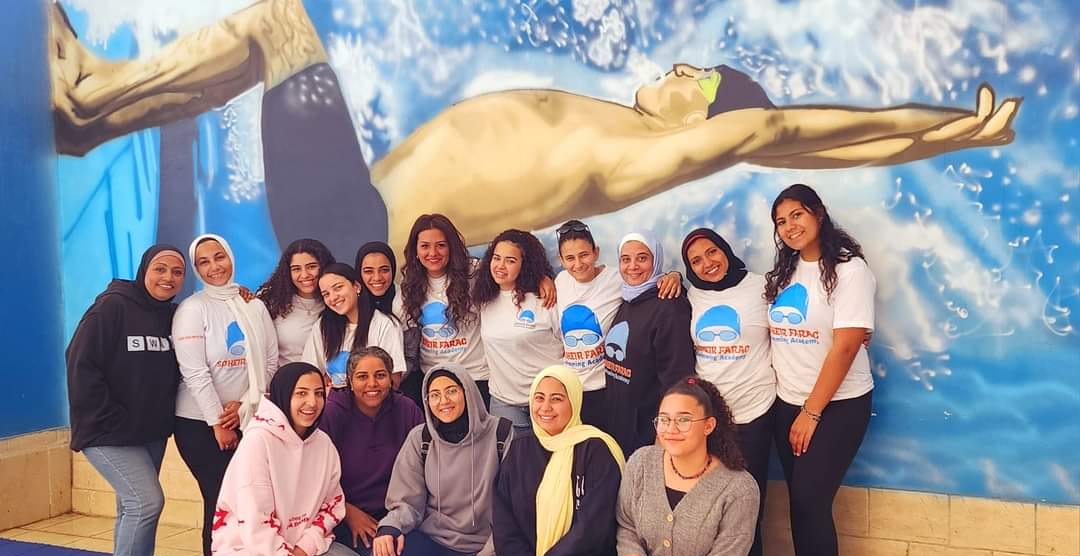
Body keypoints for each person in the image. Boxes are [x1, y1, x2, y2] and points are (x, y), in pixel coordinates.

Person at [49, 1, 1020, 260]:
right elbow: (785, 133)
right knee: (273, 33)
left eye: (694, 79)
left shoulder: (661, 147)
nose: (675, 71)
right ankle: (95, 114)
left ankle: (95, 95)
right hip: (352, 204)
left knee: (276, 22)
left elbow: (789, 129)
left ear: (713, 117)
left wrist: (943, 131)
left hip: (354, 221)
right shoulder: (618, 124)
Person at [766, 184, 876, 556]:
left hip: (835, 407)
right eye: (781, 221)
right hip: (787, 403)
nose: (789, 226)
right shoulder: (787, 270)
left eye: (797, 215)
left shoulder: (850, 270)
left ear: (819, 213)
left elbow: (846, 346)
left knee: (811, 501)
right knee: (801, 504)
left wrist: (811, 413)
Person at [66, 245, 186, 556]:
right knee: (146, 502)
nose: (168, 278)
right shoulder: (112, 307)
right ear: (144, 270)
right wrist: (107, 416)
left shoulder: (171, 314)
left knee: (131, 510)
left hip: (148, 432)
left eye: (177, 272)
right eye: (160, 269)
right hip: (107, 432)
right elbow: (80, 362)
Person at [209, 362, 366, 556]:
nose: (312, 402)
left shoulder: (324, 444)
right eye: (301, 393)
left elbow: (333, 504)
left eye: (319, 393)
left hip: (297, 546)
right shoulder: (257, 442)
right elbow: (256, 525)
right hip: (245, 553)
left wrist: (306, 546)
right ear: (283, 395)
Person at [172, 234, 279, 556]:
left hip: (248, 417)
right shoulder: (192, 310)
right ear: (196, 269)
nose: (214, 266)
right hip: (200, 425)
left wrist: (245, 404)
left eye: (220, 257)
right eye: (204, 262)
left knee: (252, 503)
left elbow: (270, 361)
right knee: (220, 503)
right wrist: (219, 420)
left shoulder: (253, 305)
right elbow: (195, 372)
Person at [605, 377, 759, 556]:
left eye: (684, 420)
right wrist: (631, 553)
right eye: (664, 419)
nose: (671, 429)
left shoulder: (739, 488)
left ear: (709, 425)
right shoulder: (641, 463)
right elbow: (626, 523)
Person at [681, 227, 776, 556]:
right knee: (709, 513)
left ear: (725, 250)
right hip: (709, 422)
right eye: (695, 261)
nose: (707, 263)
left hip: (754, 413)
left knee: (747, 511)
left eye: (712, 252)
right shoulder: (689, 295)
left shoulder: (761, 287)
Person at [492, 365, 625, 556]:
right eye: (539, 398)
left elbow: (593, 528)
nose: (545, 407)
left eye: (556, 399)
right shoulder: (519, 450)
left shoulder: (596, 449)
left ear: (574, 402)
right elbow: (504, 520)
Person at [370, 363, 512, 556]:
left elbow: (511, 513)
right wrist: (391, 526)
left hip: (488, 550)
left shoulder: (501, 434)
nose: (443, 401)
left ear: (468, 392)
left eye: (451, 391)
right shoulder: (421, 438)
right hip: (435, 544)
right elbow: (407, 502)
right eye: (434, 395)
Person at [554, 219, 682, 428]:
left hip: (606, 388)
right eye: (570, 258)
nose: (578, 264)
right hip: (571, 391)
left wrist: (675, 276)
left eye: (584, 255)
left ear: (596, 252)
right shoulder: (560, 282)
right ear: (561, 260)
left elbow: (648, 281)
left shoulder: (617, 277)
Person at [320, 346, 424, 556]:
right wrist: (347, 512)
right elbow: (315, 478)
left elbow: (423, 469)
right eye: (362, 377)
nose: (372, 384)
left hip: (397, 515)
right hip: (343, 517)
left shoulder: (407, 410)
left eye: (380, 375)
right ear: (350, 381)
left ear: (391, 379)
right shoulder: (331, 413)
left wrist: (396, 520)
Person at [603, 230, 694, 454]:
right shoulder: (627, 298)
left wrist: (665, 431)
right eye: (625, 259)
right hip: (620, 424)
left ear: (656, 259)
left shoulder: (669, 305)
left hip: (649, 432)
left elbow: (678, 377)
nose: (633, 266)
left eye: (642, 258)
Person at [474, 229, 564, 433]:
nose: (500, 266)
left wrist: (543, 278)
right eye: (496, 258)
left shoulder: (545, 297)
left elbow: (567, 344)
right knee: (512, 455)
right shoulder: (483, 298)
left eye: (510, 260)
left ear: (525, 264)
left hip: (549, 401)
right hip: (505, 404)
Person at [398, 214, 491, 406]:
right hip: (434, 382)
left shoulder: (474, 273)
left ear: (451, 247)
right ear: (415, 250)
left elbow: (511, 280)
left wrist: (542, 281)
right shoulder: (409, 285)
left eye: (441, 245)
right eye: (425, 246)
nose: (433, 253)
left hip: (475, 378)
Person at [302, 262, 405, 389]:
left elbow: (393, 380)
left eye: (338, 288)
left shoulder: (385, 324)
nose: (332, 298)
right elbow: (309, 373)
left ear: (356, 286)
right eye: (326, 294)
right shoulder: (322, 326)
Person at [354, 241, 421, 404]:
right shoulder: (351, 301)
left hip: (404, 385)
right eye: (368, 271)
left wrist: (384, 386)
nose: (377, 277)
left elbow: (411, 355)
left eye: (384, 270)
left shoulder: (405, 302)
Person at [256, 238, 336, 364]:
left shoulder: (337, 300)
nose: (304, 275)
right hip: (285, 375)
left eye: (312, 267)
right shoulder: (272, 300)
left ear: (325, 266)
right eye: (296, 269)